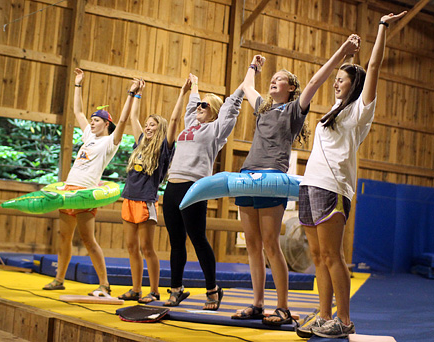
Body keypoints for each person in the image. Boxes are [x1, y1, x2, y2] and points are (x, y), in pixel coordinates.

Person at [231, 35, 362, 326]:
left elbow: (315, 82)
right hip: (247, 173)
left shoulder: (293, 110)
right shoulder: (263, 108)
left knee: (269, 243)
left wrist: (342, 52)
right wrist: (254, 66)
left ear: (291, 88)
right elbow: (247, 87)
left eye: (279, 79)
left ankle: (282, 307)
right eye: (272, 79)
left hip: (272, 177)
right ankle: (257, 303)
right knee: (252, 243)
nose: (273, 81)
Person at [297, 11, 407, 339]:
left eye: (342, 78)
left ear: (354, 84)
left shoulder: (360, 112)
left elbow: (372, 67)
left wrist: (382, 26)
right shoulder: (332, 112)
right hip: (310, 184)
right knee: (317, 255)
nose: (337, 81)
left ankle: (344, 320)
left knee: (333, 255)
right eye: (337, 78)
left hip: (334, 188)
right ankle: (324, 314)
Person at [42, 68, 139, 296]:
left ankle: (104, 283)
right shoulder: (88, 137)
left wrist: (131, 94)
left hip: (86, 194)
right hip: (68, 192)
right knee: (64, 237)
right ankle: (59, 279)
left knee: (88, 239)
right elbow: (77, 110)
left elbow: (123, 120)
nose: (91, 123)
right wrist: (78, 84)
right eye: (92, 120)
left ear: (106, 124)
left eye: (96, 121)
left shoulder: (109, 143)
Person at [162, 74, 244, 310]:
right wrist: (193, 85)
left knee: (197, 239)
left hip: (194, 187)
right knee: (176, 242)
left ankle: (212, 289)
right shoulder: (191, 124)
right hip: (173, 186)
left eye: (205, 105)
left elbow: (231, 109)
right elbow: (191, 102)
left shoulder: (216, 130)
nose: (199, 107)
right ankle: (176, 289)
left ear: (215, 112)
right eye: (199, 104)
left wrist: (246, 79)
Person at [117, 77, 191, 303]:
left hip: (146, 201)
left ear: (160, 130)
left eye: (153, 125)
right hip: (128, 199)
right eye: (147, 125)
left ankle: (155, 290)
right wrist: (136, 93)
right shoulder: (140, 141)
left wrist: (182, 92)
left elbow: (175, 119)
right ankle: (136, 289)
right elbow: (132, 117)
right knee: (131, 247)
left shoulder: (164, 147)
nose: (148, 128)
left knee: (146, 247)